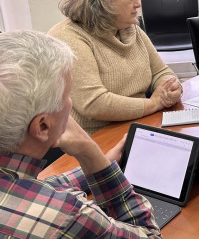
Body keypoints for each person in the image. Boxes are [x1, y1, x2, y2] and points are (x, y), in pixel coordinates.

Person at [0, 30, 160, 238]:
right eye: (67, 95)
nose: (70, 103)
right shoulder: (68, 216)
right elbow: (150, 235)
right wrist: (90, 150)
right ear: (42, 127)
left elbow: (26, 187)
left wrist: (101, 163)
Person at [49, 0, 181, 135]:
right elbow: (94, 103)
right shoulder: (68, 37)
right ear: (105, 0)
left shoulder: (129, 26)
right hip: (96, 136)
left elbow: (160, 72)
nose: (138, 3)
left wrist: (171, 87)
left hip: (139, 122)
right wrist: (154, 103)